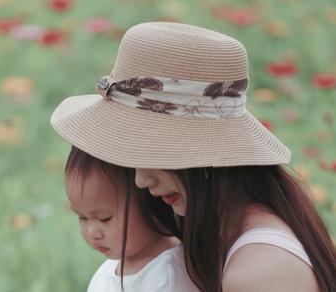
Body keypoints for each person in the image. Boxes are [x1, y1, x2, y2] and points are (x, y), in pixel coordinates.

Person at [51, 22, 336, 291]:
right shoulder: (222, 234)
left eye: (147, 150)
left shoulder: (257, 272)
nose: (140, 179)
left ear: (203, 152)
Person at [65, 146, 198, 291]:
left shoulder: (168, 279)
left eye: (105, 218)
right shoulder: (113, 267)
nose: (92, 233)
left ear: (150, 203)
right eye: (82, 218)